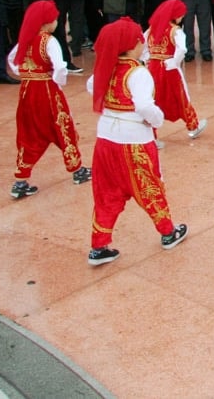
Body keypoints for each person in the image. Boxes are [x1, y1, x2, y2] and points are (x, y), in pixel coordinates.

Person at [86, 17, 189, 266]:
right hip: (133, 140)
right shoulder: (138, 72)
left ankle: (99, 245)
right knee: (148, 186)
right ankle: (167, 232)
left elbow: (92, 87)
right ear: (131, 44)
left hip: (105, 138)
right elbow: (144, 106)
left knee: (107, 192)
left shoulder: (106, 66)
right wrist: (157, 119)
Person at [6, 0, 92, 199]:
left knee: (28, 133)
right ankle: (77, 169)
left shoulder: (26, 39)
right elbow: (60, 66)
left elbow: (13, 60)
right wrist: (57, 81)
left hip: (27, 92)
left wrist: (26, 73)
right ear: (46, 22)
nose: (56, 22)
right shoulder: (49, 41)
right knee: (63, 127)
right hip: (46, 90)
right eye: (54, 19)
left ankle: (20, 180)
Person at [144, 0, 207, 143]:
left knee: (153, 99)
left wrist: (148, 59)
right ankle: (193, 126)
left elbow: (143, 44)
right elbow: (182, 49)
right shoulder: (175, 31)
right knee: (181, 96)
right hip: (169, 68)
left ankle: (151, 135)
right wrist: (173, 62)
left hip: (153, 68)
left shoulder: (152, 29)